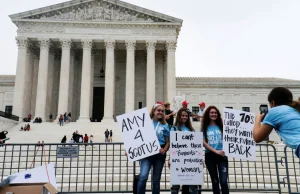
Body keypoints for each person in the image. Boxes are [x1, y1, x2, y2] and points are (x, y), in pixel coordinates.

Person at [253, 87, 300, 158]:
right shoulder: (296, 110)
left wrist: (257, 119)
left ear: (273, 102)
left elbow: (257, 138)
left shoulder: (274, 111)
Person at [137, 103, 170, 194]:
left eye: (162, 111)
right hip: (146, 153)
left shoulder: (165, 125)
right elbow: (136, 137)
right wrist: (129, 150)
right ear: (154, 111)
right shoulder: (145, 122)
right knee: (143, 177)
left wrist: (165, 150)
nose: (160, 112)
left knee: (156, 180)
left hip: (159, 154)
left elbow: (168, 142)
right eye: (158, 110)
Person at [168, 108, 199, 194]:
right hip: (177, 159)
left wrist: (199, 159)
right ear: (179, 116)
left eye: (186, 116)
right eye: (182, 115)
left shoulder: (191, 130)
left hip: (190, 159)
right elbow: (172, 145)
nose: (184, 117)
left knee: (193, 185)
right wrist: (170, 158)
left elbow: (196, 146)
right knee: (175, 185)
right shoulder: (174, 129)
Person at [202, 106, 229, 194]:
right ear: (208, 114)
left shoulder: (222, 126)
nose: (214, 114)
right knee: (215, 181)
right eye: (211, 113)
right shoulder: (204, 128)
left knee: (224, 182)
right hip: (210, 156)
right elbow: (204, 142)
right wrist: (215, 151)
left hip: (222, 155)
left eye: (215, 113)